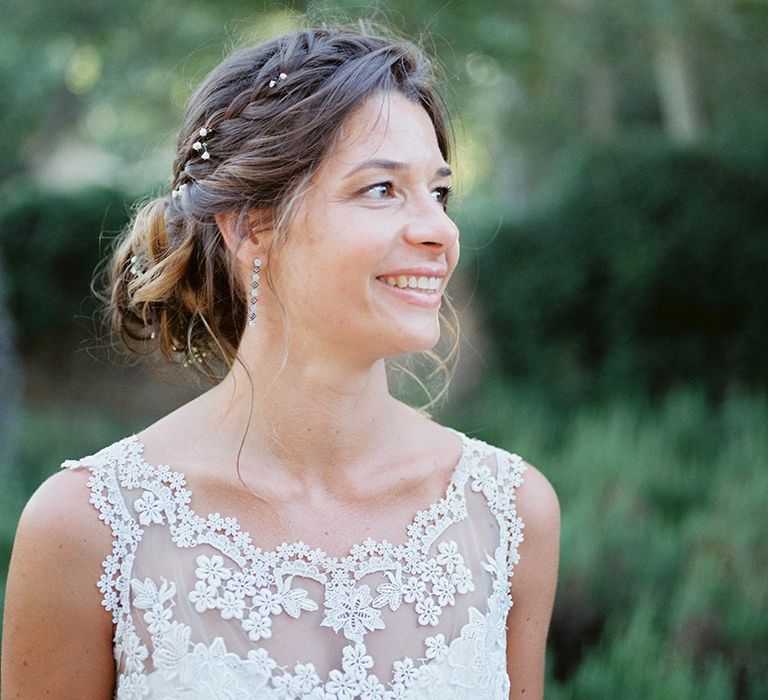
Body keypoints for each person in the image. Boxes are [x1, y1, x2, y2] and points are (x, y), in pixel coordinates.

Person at [1, 26, 559, 699]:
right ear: (250, 227)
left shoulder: (508, 512)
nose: (439, 230)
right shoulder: (86, 528)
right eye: (381, 189)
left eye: (438, 193)